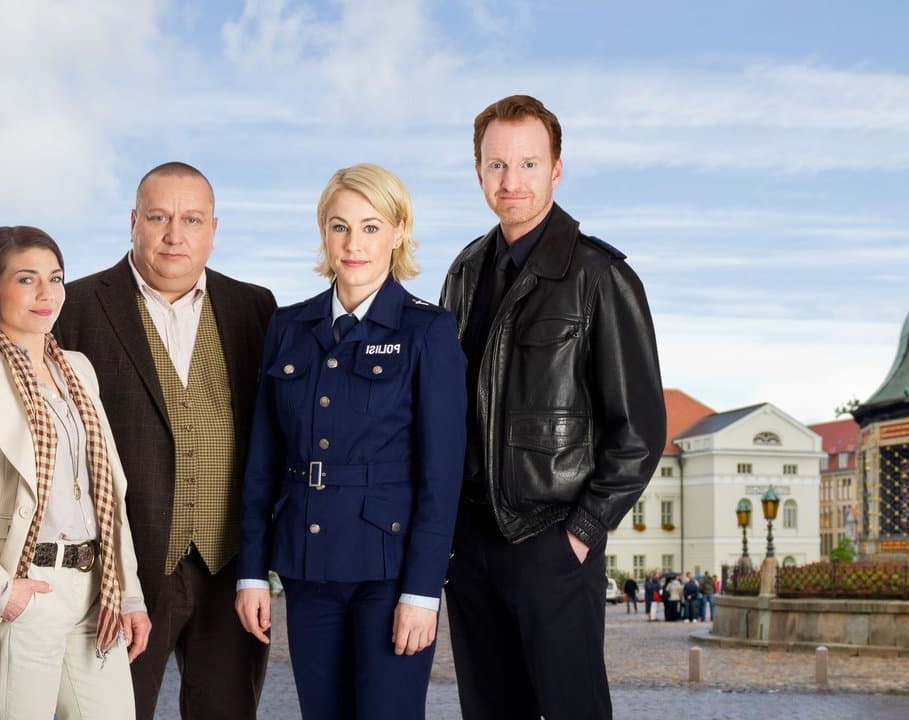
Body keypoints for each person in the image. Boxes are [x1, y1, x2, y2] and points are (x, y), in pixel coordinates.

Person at [439, 94, 666, 718]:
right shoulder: (463, 272)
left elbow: (640, 431)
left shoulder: (600, 275)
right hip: (470, 544)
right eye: (497, 165)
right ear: (478, 172)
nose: (511, 181)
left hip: (551, 539)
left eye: (528, 164)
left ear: (557, 169)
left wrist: (582, 533)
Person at [236, 163, 466, 720]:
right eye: (339, 226)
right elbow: (263, 460)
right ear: (324, 233)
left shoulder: (427, 330)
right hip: (307, 566)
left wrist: (422, 591)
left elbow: (442, 475)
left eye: (370, 227)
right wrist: (251, 570)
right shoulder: (289, 327)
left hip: (388, 573)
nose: (353, 244)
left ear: (398, 232)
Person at [54, 162, 276, 719]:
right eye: (159, 218)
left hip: (229, 566)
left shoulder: (256, 308)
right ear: (134, 221)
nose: (175, 235)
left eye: (192, 220)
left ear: (213, 229)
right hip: (121, 572)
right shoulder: (74, 307)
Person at [0, 226, 150, 718]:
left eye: (56, 278)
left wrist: (130, 594)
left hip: (98, 589)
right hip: (26, 588)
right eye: (27, 279)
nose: (47, 293)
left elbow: (109, 494)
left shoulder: (79, 370)